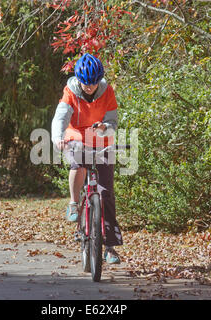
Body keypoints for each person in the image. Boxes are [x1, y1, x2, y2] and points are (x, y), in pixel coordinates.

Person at [51, 53, 122, 264]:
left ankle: (109, 247)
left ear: (98, 79)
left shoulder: (107, 91)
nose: (89, 87)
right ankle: (74, 203)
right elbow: (61, 116)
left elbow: (112, 122)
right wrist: (57, 137)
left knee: (106, 194)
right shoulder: (70, 91)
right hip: (76, 135)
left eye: (92, 83)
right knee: (79, 163)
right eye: (85, 83)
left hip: (100, 137)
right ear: (79, 79)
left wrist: (104, 127)